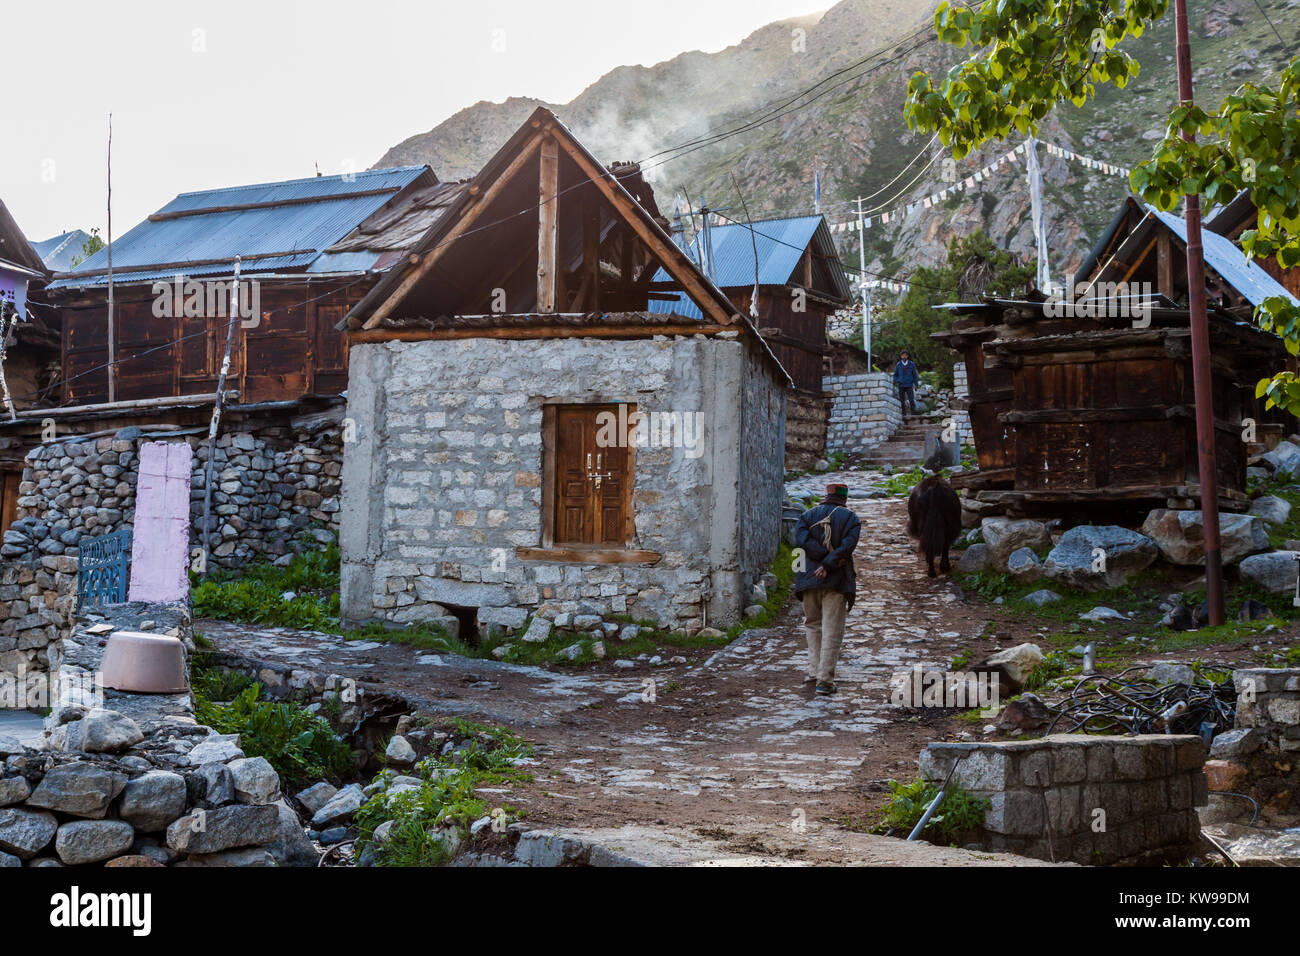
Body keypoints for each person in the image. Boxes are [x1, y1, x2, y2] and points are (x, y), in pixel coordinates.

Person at [793, 483, 861, 695]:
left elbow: (800, 542)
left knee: (812, 625)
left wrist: (820, 563)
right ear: (844, 498)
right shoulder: (851, 519)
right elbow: (846, 547)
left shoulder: (807, 516)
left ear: (826, 495)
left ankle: (814, 672)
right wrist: (828, 564)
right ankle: (825, 680)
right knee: (832, 629)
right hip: (835, 581)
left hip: (807, 579)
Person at [893, 349, 921, 416]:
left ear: (907, 356)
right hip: (901, 385)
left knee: (911, 400)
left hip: (909, 385)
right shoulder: (898, 365)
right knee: (902, 401)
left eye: (905, 355)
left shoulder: (911, 364)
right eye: (903, 355)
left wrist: (916, 385)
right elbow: (895, 375)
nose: (904, 356)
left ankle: (913, 414)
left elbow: (915, 375)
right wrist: (897, 381)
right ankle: (904, 414)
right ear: (901, 356)